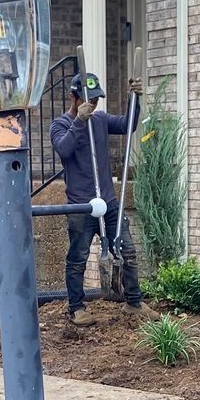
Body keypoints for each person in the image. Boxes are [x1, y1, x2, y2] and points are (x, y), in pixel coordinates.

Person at [49, 71, 143, 325]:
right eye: (88, 99)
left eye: (96, 100)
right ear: (73, 97)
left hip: (109, 202)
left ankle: (134, 303)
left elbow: (128, 125)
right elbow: (64, 149)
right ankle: (77, 308)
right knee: (78, 258)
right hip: (81, 206)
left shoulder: (100, 120)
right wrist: (79, 121)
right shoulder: (60, 125)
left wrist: (134, 100)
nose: (93, 104)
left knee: (127, 250)